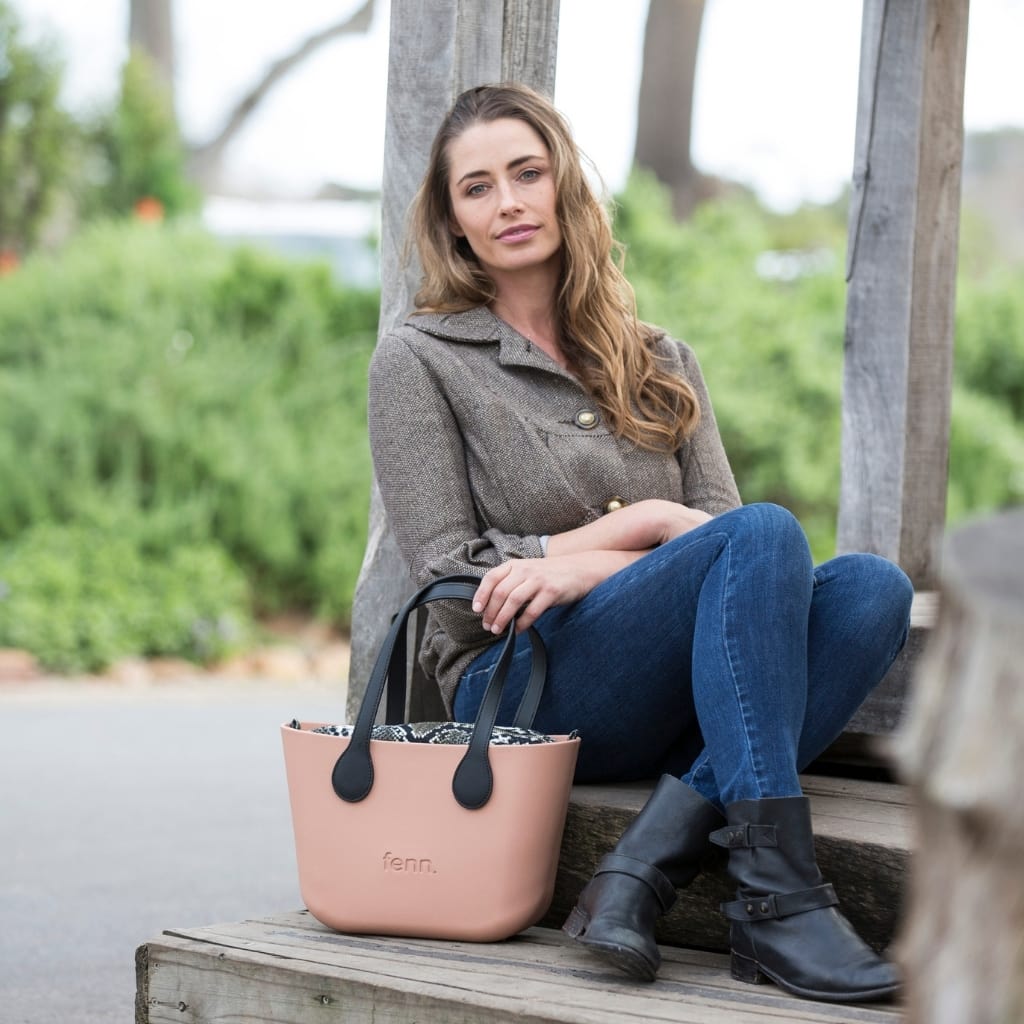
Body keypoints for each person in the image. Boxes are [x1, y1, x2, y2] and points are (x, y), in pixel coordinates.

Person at [367, 83, 913, 1004]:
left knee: (873, 590)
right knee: (769, 532)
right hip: (523, 684)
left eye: (527, 173)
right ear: (452, 220)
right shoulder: (419, 359)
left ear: (564, 183)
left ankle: (645, 864)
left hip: (674, 682)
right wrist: (635, 526)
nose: (508, 203)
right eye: (477, 187)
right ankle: (779, 899)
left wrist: (579, 564)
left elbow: (732, 548)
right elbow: (453, 578)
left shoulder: (661, 357)